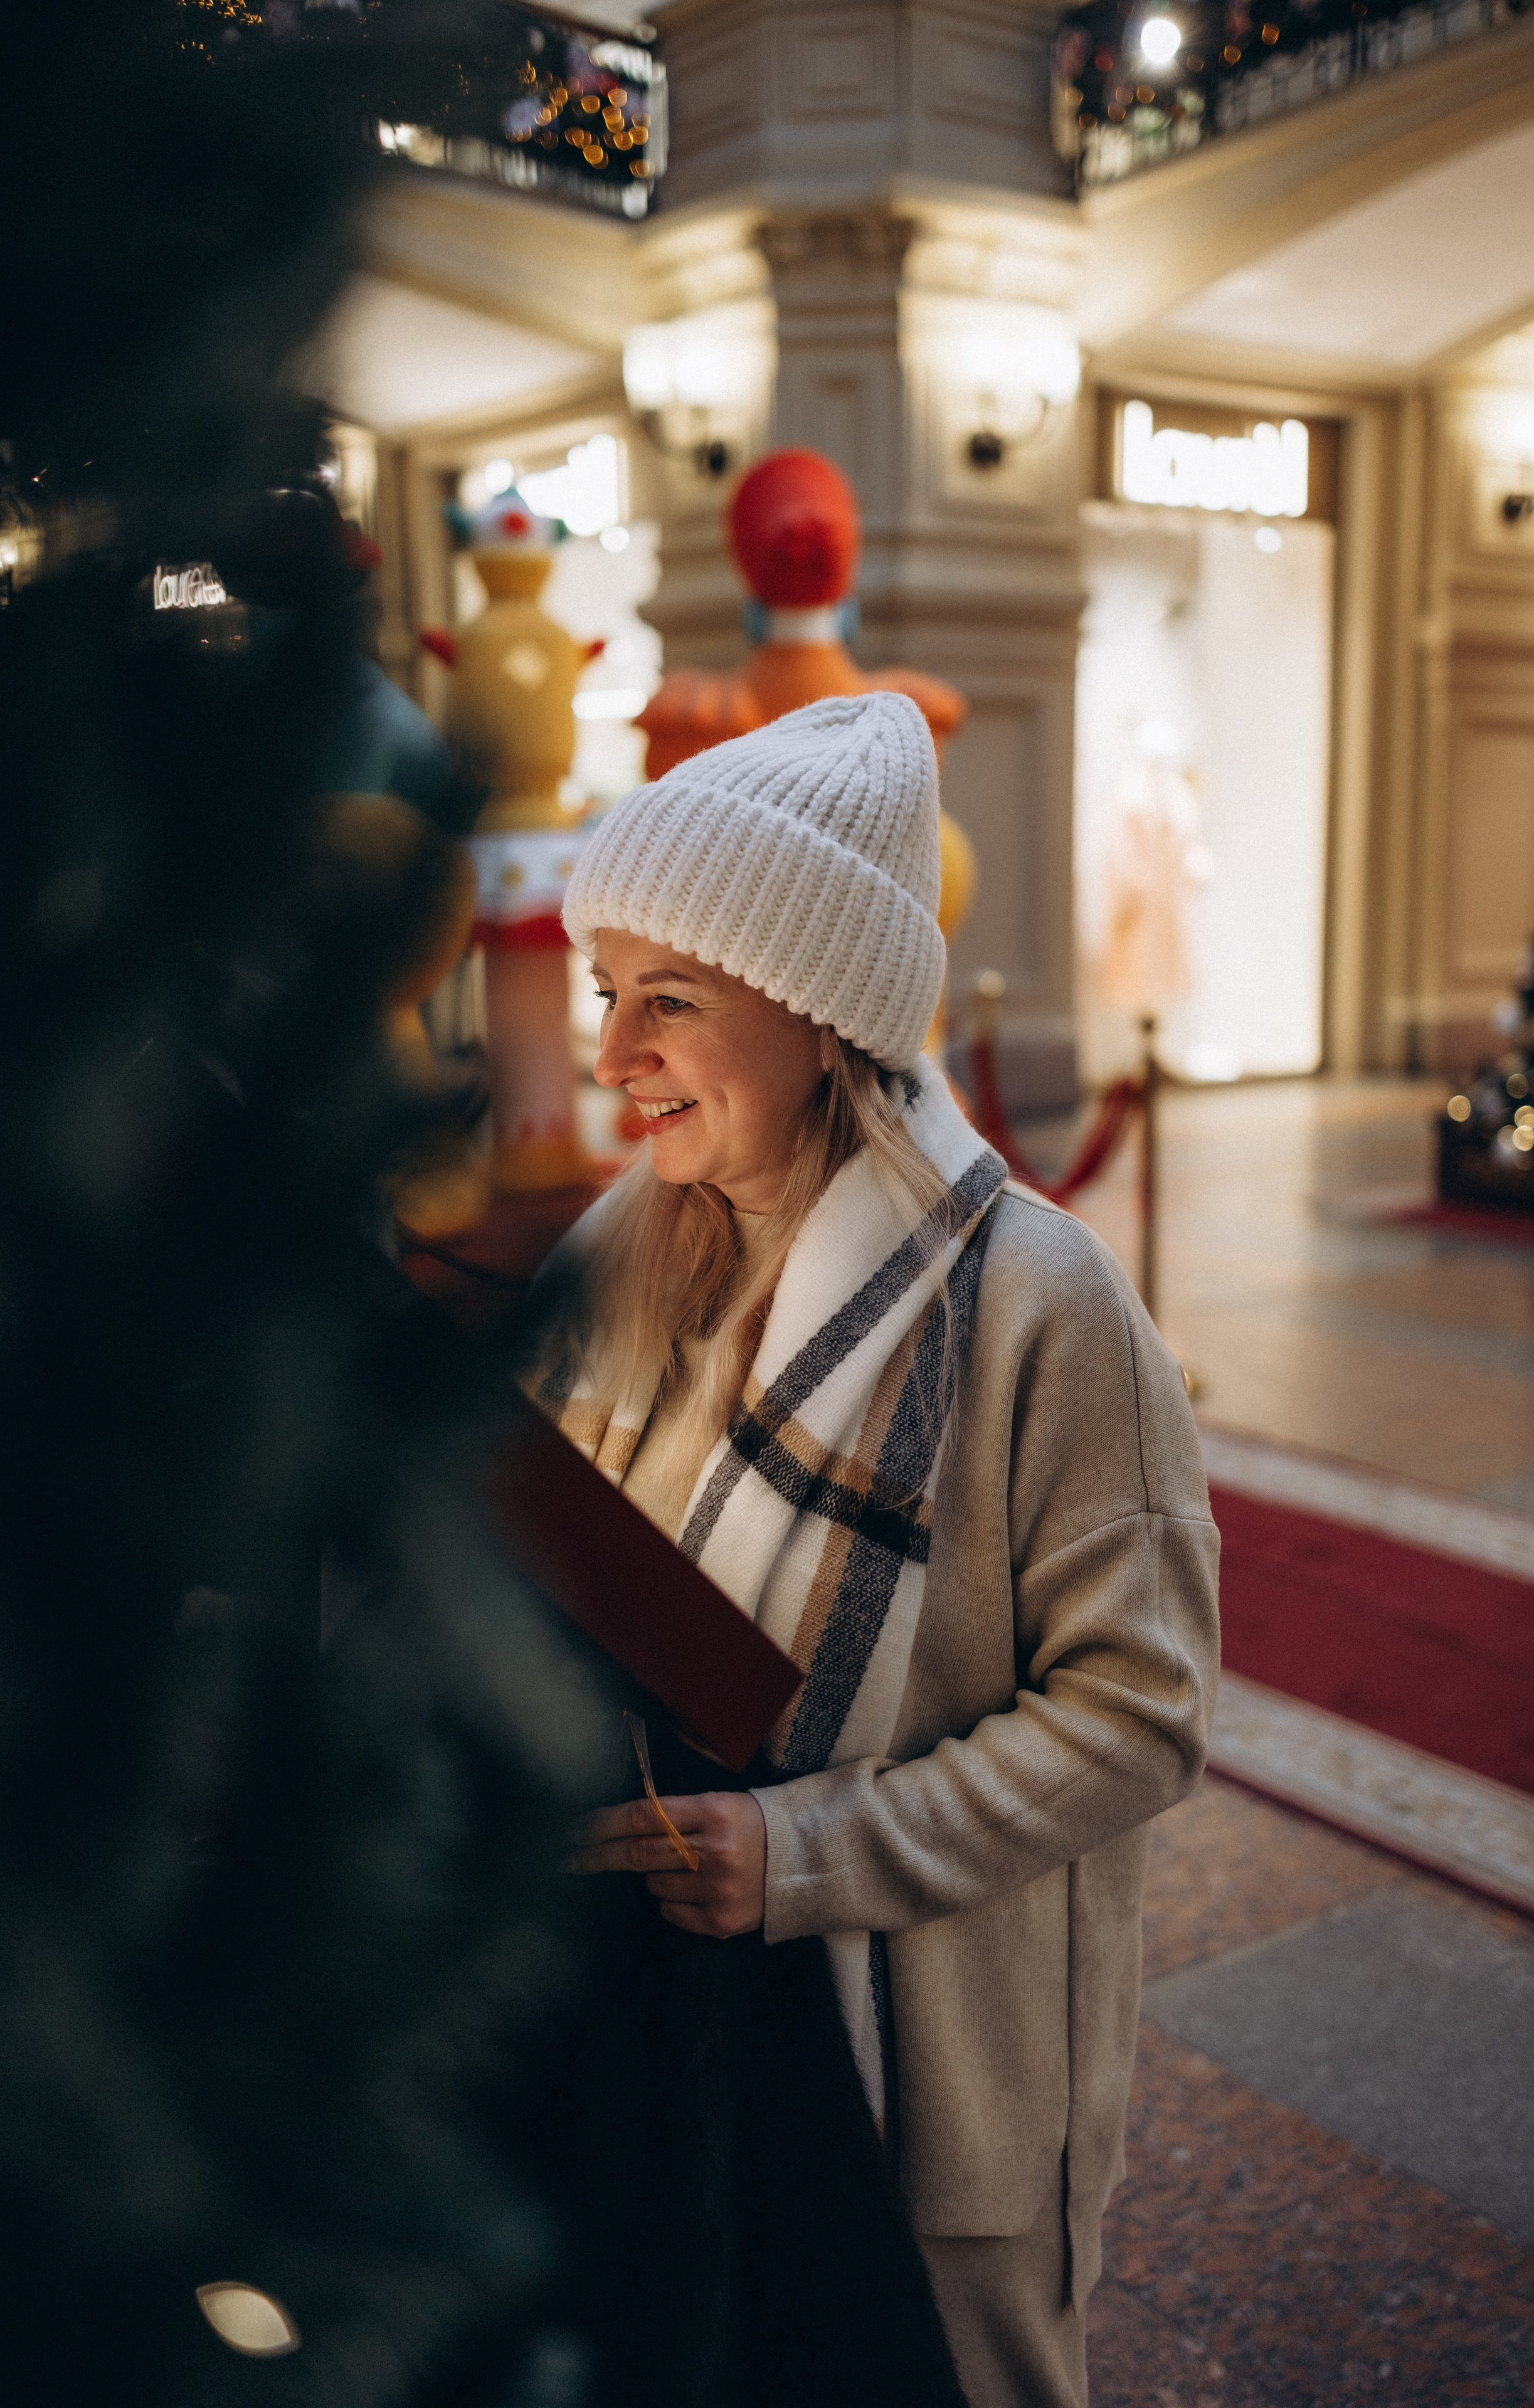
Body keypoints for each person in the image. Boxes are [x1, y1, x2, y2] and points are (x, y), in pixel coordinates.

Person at [532, 689, 1220, 2408]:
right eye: (608, 995)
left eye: (667, 1002)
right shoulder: (633, 1242)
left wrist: (808, 1854)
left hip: (926, 2080)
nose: (615, 1058)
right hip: (673, 2038)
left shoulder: (1041, 1307)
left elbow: (1141, 1713)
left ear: (823, 1013)